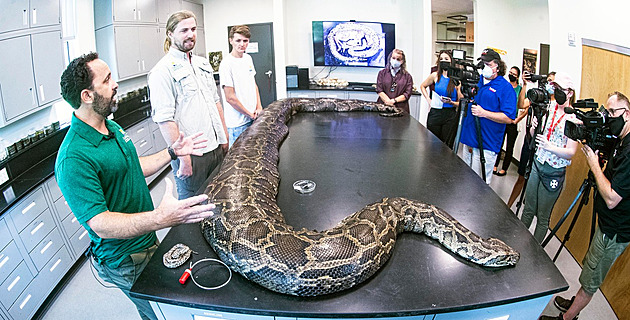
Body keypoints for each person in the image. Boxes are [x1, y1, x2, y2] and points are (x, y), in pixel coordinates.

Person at [56, 52, 216, 320]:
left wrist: (172, 152)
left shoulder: (110, 127)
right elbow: (100, 223)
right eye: (107, 80)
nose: (115, 84)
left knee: (171, 308)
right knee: (160, 314)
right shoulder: (73, 157)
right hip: (124, 258)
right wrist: (159, 218)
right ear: (87, 95)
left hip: (146, 239)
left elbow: (133, 166)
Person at [540, 92, 630, 320]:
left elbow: (611, 197)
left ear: (626, 114)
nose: (608, 117)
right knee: (590, 265)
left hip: (614, 230)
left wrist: (593, 163)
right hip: (607, 222)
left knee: (591, 279)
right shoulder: (621, 139)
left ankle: (567, 318)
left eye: (612, 112)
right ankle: (574, 303)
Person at [148, 10, 229, 200]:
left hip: (215, 147)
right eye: (184, 30)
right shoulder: (162, 71)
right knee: (194, 206)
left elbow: (216, 102)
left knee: (219, 197)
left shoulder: (202, 63)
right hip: (192, 155)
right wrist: (184, 159)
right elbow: (165, 120)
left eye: (193, 29)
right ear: (170, 34)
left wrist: (224, 137)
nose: (191, 34)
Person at [520, 72, 578, 243]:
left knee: (543, 217)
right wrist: (533, 128)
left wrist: (550, 147)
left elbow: (571, 152)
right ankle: (518, 242)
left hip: (554, 170)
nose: (558, 91)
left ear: (570, 93)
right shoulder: (548, 107)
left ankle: (534, 250)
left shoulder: (573, 117)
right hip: (538, 163)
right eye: (556, 87)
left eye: (562, 89)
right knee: (528, 208)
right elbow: (534, 134)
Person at [459, 48, 517, 183]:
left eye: (489, 65)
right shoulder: (476, 81)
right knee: (464, 181)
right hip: (469, 140)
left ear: (497, 66)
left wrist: (484, 114)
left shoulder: (505, 87)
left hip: (487, 143)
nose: (485, 68)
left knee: (479, 185)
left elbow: (509, 118)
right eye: (483, 64)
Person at [507, 72, 556, 208]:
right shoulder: (538, 98)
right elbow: (522, 104)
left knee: (535, 181)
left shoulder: (556, 104)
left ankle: (527, 208)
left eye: (553, 82)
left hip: (543, 146)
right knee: (521, 176)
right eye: (548, 81)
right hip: (530, 142)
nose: (550, 85)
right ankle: (509, 205)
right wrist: (525, 84)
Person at [219, 25, 263, 147]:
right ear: (231, 40)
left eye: (245, 41)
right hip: (238, 124)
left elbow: (254, 85)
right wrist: (249, 114)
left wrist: (259, 107)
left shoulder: (248, 58)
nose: (242, 44)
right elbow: (230, 98)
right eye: (238, 40)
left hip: (253, 118)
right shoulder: (226, 64)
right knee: (238, 161)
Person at [420, 50, 463, 148]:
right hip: (435, 112)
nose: (444, 61)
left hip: (450, 115)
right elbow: (423, 86)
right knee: (432, 143)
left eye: (446, 59)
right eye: (441, 59)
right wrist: (428, 100)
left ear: (451, 61)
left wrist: (451, 102)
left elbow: (460, 103)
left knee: (446, 146)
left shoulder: (457, 80)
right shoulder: (435, 75)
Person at [493, 66, 524, 175]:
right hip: (502, 119)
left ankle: (504, 168)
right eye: (510, 72)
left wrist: (517, 119)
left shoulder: (519, 89)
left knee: (510, 146)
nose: (511, 75)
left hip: (512, 121)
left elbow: (524, 106)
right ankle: (495, 165)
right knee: (499, 143)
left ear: (517, 77)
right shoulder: (504, 86)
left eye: (514, 74)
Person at [376, 48, 414, 114]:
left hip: (400, 108)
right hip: (383, 106)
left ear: (402, 61)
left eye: (398, 59)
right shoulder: (382, 73)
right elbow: (379, 89)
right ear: (390, 58)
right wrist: (388, 101)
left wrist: (393, 101)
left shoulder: (407, 77)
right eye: (393, 58)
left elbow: (407, 93)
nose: (395, 61)